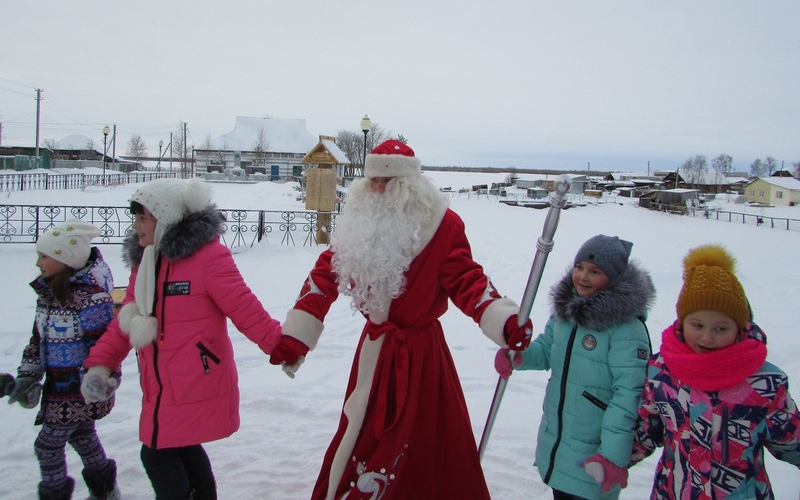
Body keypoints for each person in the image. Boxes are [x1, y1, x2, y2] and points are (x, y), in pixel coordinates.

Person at [269, 140, 533, 500]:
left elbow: (468, 281)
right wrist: (297, 335)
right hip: (374, 353)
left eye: (388, 182)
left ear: (411, 185)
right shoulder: (358, 223)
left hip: (421, 356)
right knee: (365, 432)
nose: (378, 188)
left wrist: (503, 320)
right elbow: (324, 275)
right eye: (373, 180)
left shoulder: (444, 226)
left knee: (425, 442)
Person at [81, 178, 282, 500]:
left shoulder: (208, 257)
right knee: (182, 447)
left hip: (193, 378)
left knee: (157, 453)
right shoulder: (145, 262)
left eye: (143, 217)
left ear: (164, 218)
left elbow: (244, 306)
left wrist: (281, 346)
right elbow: (127, 320)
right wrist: (101, 364)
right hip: (160, 382)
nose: (136, 226)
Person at [630, 244, 800, 499]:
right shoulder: (661, 373)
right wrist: (611, 459)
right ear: (682, 322)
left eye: (721, 328)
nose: (707, 337)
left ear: (740, 328)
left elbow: (790, 440)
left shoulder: (764, 383)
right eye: (697, 325)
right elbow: (644, 431)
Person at [495, 234, 655, 500]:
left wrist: (613, 457)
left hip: (596, 453)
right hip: (560, 441)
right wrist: (519, 356)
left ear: (614, 278)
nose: (583, 276)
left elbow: (629, 396)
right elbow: (548, 349)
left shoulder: (626, 329)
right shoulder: (567, 311)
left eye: (595, 271)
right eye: (579, 267)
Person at [7, 219, 120, 500]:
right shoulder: (47, 294)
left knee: (47, 446)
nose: (38, 263)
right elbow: (37, 341)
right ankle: (105, 488)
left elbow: (106, 345)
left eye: (44, 256)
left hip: (79, 389)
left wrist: (101, 380)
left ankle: (55, 493)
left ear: (65, 259)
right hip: (56, 386)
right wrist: (28, 376)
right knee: (82, 437)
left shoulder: (89, 299)